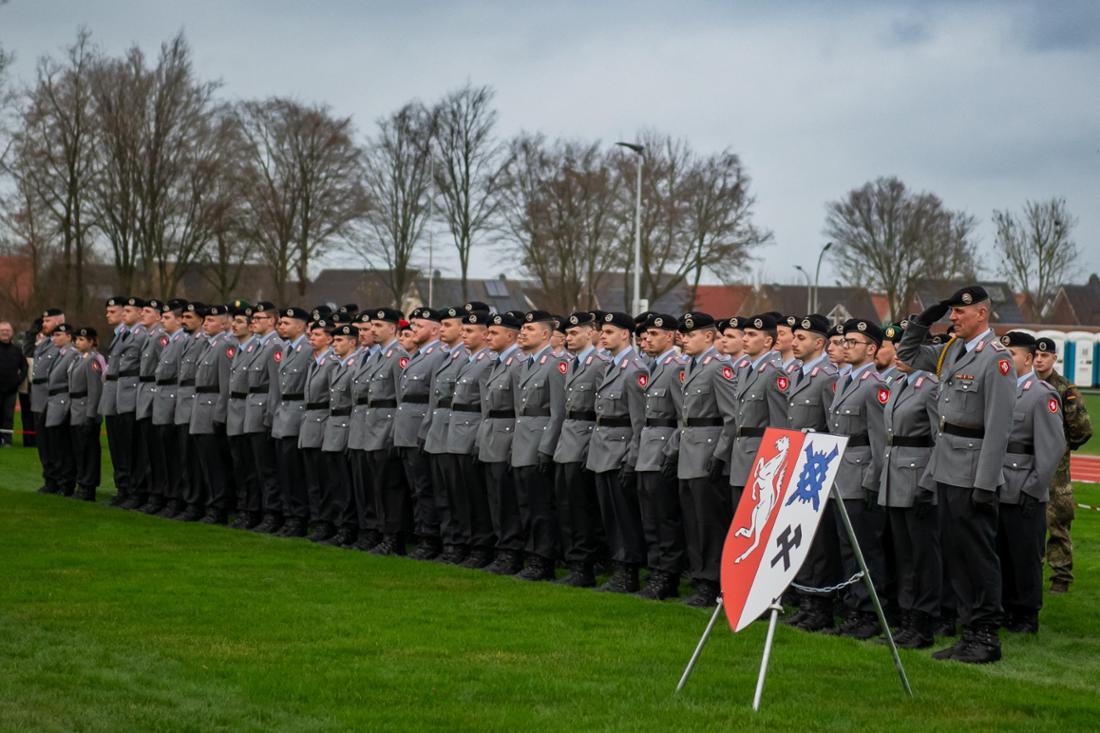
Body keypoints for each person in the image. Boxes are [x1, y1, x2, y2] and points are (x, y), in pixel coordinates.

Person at [896, 285, 1016, 664]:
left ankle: (986, 635)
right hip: (948, 466)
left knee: (977, 555)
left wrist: (985, 482)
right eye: (950, 314)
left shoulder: (995, 359)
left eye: (959, 313)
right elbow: (908, 354)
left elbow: (999, 427)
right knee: (956, 554)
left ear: (981, 314)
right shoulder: (952, 351)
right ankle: (969, 632)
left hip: (973, 470)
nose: (953, 319)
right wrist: (921, 321)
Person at [996, 332, 1065, 634]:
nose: (1005, 360)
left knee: (1024, 555)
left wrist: (1033, 488)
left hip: (1024, 486)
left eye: (1010, 355)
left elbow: (1051, 449)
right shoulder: (1000, 390)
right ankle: (1004, 607)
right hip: (998, 485)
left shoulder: (1042, 395)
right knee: (1001, 554)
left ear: (1028, 358)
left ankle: (1026, 615)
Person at [826, 318, 887, 640]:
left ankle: (867, 613)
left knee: (864, 548)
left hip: (860, 474)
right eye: (844, 341)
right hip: (841, 474)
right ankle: (853, 608)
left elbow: (880, 440)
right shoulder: (846, 380)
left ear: (872, 349)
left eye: (853, 342)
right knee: (847, 548)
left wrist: (871, 481)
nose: (845, 346)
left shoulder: (873, 385)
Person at [779, 315, 841, 632]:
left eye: (802, 338)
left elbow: (833, 427)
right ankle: (805, 600)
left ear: (820, 343)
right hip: (797, 463)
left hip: (817, 466)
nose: (794, 342)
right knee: (799, 537)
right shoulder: (797, 374)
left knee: (819, 543)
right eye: (795, 337)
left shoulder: (827, 377)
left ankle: (821, 606)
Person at [878, 351, 941, 648]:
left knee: (923, 556)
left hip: (917, 478)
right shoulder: (899, 383)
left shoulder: (930, 387)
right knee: (903, 555)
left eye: (909, 350)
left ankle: (924, 621)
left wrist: (929, 482)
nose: (900, 355)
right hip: (895, 477)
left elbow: (939, 438)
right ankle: (906, 619)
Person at [587, 311, 648, 592]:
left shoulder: (635, 369)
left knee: (624, 518)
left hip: (620, 452)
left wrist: (631, 459)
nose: (603, 336)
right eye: (603, 331)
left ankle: (628, 572)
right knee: (609, 515)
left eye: (609, 332)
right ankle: (618, 566)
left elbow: (639, 422)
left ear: (625, 334)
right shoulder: (612, 365)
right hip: (603, 451)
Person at [672, 311, 729, 608]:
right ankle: (700, 578)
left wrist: (720, 455)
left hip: (706, 452)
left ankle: (713, 582)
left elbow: (731, 418)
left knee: (709, 523)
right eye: (683, 335)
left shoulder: (718, 368)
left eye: (691, 335)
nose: (684, 340)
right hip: (688, 450)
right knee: (693, 521)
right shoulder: (691, 366)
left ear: (708, 336)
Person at [551, 311, 608, 587]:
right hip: (567, 439)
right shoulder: (572, 364)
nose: (569, 337)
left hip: (585, 439)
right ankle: (575, 562)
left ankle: (585, 566)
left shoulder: (599, 364)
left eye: (574, 333)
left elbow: (603, 411)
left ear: (590, 333)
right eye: (567, 333)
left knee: (581, 506)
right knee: (566, 505)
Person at [510, 310, 567, 581]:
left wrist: (547, 447)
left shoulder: (555, 363)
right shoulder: (526, 364)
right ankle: (531, 554)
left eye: (529, 329)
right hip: (522, 441)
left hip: (539, 441)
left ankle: (544, 559)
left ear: (545, 334)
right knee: (526, 504)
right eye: (522, 328)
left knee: (541, 506)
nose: (522, 332)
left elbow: (558, 412)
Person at [1034, 336, 1093, 594]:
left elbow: (1082, 429)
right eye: (1036, 355)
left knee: (1057, 521)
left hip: (1055, 469)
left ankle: (1061, 578)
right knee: (1026, 521)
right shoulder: (1022, 384)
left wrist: (1064, 447)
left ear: (1054, 358)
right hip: (1026, 460)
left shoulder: (1065, 389)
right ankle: (1030, 573)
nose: (1039, 359)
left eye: (1044, 356)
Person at [634, 313, 686, 600]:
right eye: (646, 335)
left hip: (663, 447)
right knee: (650, 518)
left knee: (665, 519)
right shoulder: (653, 367)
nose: (646, 340)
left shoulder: (675, 368)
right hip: (646, 447)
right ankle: (655, 571)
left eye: (654, 334)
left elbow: (683, 417)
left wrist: (672, 451)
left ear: (669, 337)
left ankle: (668, 576)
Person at [395, 307, 449, 559]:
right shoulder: (418, 354)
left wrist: (426, 429)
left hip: (421, 428)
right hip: (407, 428)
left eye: (418, 326)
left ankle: (430, 539)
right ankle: (421, 534)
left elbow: (433, 398)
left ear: (435, 330)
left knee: (425, 488)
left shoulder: (437, 355)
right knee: (416, 488)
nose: (412, 330)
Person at [446, 310, 498, 569]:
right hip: (457, 433)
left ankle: (481, 546)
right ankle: (466, 542)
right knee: (461, 494)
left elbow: (488, 406)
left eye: (469, 331)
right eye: (463, 331)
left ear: (485, 334)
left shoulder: (488, 361)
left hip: (473, 431)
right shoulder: (467, 360)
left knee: (476, 495)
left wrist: (480, 438)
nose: (463, 335)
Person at [420, 306, 470, 563]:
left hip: (455, 433)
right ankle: (448, 541)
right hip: (438, 433)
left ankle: (458, 544)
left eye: (448, 325)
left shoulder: (466, 357)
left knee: (455, 493)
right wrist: (426, 429)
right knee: (441, 493)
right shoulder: (446, 356)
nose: (441, 330)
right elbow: (434, 400)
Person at [479, 311, 527, 575]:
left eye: (494, 332)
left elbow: (522, 409)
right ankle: (502, 548)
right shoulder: (496, 362)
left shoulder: (518, 364)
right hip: (491, 436)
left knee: (507, 500)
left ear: (511, 336)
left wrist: (514, 443)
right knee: (495, 499)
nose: (488, 336)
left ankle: (511, 553)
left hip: (507, 435)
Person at [190, 304, 234, 524]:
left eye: (211, 320)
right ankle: (212, 503)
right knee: (205, 462)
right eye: (205, 320)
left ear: (225, 323)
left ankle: (219, 507)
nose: (206, 323)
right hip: (200, 408)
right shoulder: (210, 345)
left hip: (212, 408)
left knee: (215, 463)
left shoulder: (225, 346)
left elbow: (225, 385)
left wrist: (220, 413)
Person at [271, 307, 313, 537]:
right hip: (283, 412)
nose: (281, 326)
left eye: (286, 323)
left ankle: (298, 517)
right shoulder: (287, 349)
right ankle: (289, 514)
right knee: (284, 470)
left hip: (297, 413)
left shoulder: (307, 349)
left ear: (300, 326)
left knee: (295, 471)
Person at [244, 302, 285, 533]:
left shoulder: (274, 346)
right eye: (253, 318)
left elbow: (275, 387)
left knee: (268, 469)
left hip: (263, 412)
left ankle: (272, 514)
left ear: (272, 321)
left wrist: (271, 416)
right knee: (256, 467)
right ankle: (260, 510)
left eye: (259, 318)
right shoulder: (257, 346)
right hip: (252, 410)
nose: (254, 322)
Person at [320, 323, 362, 545]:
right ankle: (339, 523)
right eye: (334, 340)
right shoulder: (337, 367)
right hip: (333, 424)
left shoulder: (355, 367)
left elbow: (355, 403)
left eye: (339, 341)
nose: (334, 344)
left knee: (346, 482)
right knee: (335, 480)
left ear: (352, 342)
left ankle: (348, 527)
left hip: (346, 424)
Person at [151, 300, 191, 517]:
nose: (162, 321)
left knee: (175, 454)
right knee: (165, 453)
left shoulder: (182, 341)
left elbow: (179, 376)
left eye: (167, 318)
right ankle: (170, 495)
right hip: (163, 399)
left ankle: (177, 498)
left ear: (178, 319)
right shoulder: (171, 341)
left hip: (173, 400)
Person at [300, 319, 336, 541]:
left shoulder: (331, 363)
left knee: (324, 479)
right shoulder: (316, 362)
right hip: (310, 421)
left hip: (323, 421)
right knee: (313, 478)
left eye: (317, 335)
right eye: (311, 334)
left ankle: (326, 523)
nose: (311, 337)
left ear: (329, 339)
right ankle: (318, 520)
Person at [42, 323, 80, 496]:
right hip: (53, 400)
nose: (54, 338)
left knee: (63, 445)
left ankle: (66, 482)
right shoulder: (61, 354)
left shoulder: (72, 354)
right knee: (55, 444)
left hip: (63, 400)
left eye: (58, 335)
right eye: (54, 335)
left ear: (68, 337)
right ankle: (59, 480)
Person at [69, 327, 105, 501]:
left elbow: (94, 391)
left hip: (85, 410)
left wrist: (91, 416)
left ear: (91, 342)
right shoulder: (77, 359)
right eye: (76, 339)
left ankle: (88, 486)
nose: (78, 342)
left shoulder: (93, 361)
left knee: (88, 450)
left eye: (82, 340)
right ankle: (81, 482)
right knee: (79, 450)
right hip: (76, 409)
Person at [31, 308, 64, 493]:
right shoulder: (44, 343)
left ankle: (59, 479)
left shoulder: (62, 343)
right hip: (38, 397)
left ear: (59, 322)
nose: (44, 324)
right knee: (43, 442)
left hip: (52, 397)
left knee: (54, 442)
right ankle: (49, 478)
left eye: (48, 321)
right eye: (43, 321)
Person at [0, 321, 27, 447]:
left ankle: (7, 440)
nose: (5, 332)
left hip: (11, 390)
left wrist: (18, 380)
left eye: (7, 330)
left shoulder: (17, 350)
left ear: (12, 333)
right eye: (2, 330)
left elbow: (25, 367)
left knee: (8, 416)